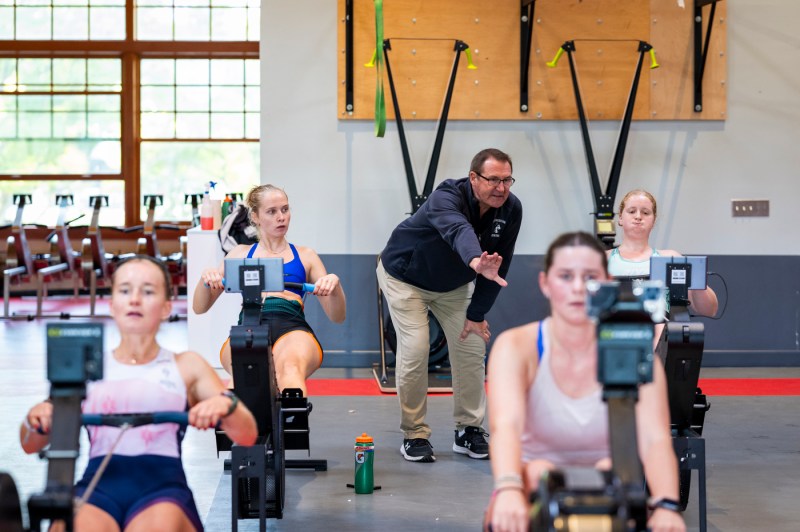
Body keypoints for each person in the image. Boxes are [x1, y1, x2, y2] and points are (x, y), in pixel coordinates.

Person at [20, 255, 258, 532]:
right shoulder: (87, 370)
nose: (134, 299)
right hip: (97, 488)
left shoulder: (187, 366)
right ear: (112, 305)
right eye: (124, 290)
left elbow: (248, 435)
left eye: (147, 291)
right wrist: (36, 419)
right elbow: (30, 444)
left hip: (162, 490)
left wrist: (225, 407)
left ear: (167, 307)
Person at [485, 232, 685, 532]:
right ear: (545, 284)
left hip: (610, 483)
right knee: (531, 483)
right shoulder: (517, 346)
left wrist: (667, 504)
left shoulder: (633, 351)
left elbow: (655, 438)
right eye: (565, 276)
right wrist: (510, 488)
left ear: (605, 281)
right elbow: (506, 427)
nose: (577, 287)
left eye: (589, 276)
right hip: (531, 479)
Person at [377, 148, 523, 463]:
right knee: (416, 348)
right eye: (493, 180)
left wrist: (477, 315)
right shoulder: (446, 197)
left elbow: (500, 265)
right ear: (473, 178)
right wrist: (475, 260)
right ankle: (414, 434)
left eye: (507, 180)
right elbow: (459, 231)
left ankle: (468, 430)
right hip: (405, 278)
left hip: (453, 286)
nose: (501, 188)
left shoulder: (511, 209)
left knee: (472, 345)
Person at [193, 184, 346, 396]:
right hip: (249, 325)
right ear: (255, 216)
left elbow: (337, 316)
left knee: (290, 371)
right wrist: (206, 279)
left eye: (285, 209)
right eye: (272, 212)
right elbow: (199, 307)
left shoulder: (306, 255)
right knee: (240, 380)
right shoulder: (239, 253)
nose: (281, 217)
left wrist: (335, 286)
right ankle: (237, 425)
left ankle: (291, 426)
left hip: (292, 326)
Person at [608, 189, 718, 317]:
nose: (638, 217)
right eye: (632, 211)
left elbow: (710, 311)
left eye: (645, 212)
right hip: (612, 332)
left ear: (653, 221)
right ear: (620, 218)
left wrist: (697, 280)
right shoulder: (603, 259)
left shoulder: (671, 259)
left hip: (659, 332)